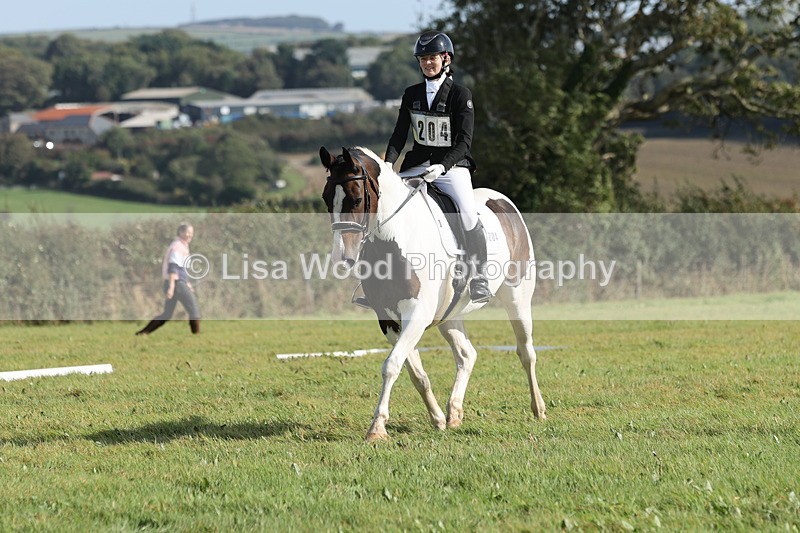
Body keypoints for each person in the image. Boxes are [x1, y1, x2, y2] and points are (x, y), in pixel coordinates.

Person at [384, 30, 492, 303]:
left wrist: (442, 167)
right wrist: (388, 164)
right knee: (386, 208)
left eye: (432, 57)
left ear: (446, 59)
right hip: (416, 165)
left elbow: (464, 142)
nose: (427, 63)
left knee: (467, 213)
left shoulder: (460, 95)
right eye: (423, 59)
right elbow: (399, 134)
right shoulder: (411, 94)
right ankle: (376, 280)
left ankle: (479, 277)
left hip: (452, 167)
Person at [135, 223, 201, 335]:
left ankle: (143, 333)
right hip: (176, 283)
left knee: (167, 314)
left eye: (191, 233)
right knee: (194, 310)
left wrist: (187, 282)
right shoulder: (178, 247)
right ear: (180, 232)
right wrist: (171, 286)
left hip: (177, 282)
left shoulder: (182, 246)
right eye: (187, 232)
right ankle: (197, 336)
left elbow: (181, 268)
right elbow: (173, 267)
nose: (190, 235)